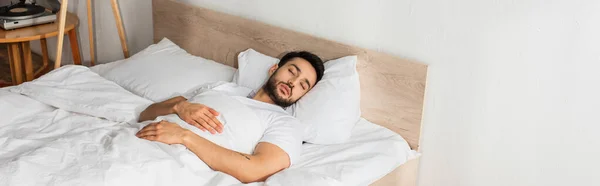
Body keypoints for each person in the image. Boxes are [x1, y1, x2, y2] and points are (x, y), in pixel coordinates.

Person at [135, 51, 325, 183]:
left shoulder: (286, 124)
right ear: (274, 69)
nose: (293, 83)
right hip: (138, 138)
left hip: (172, 164)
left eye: (303, 85)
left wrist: (184, 136)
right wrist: (179, 106)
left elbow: (256, 170)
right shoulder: (222, 88)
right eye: (292, 71)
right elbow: (145, 114)